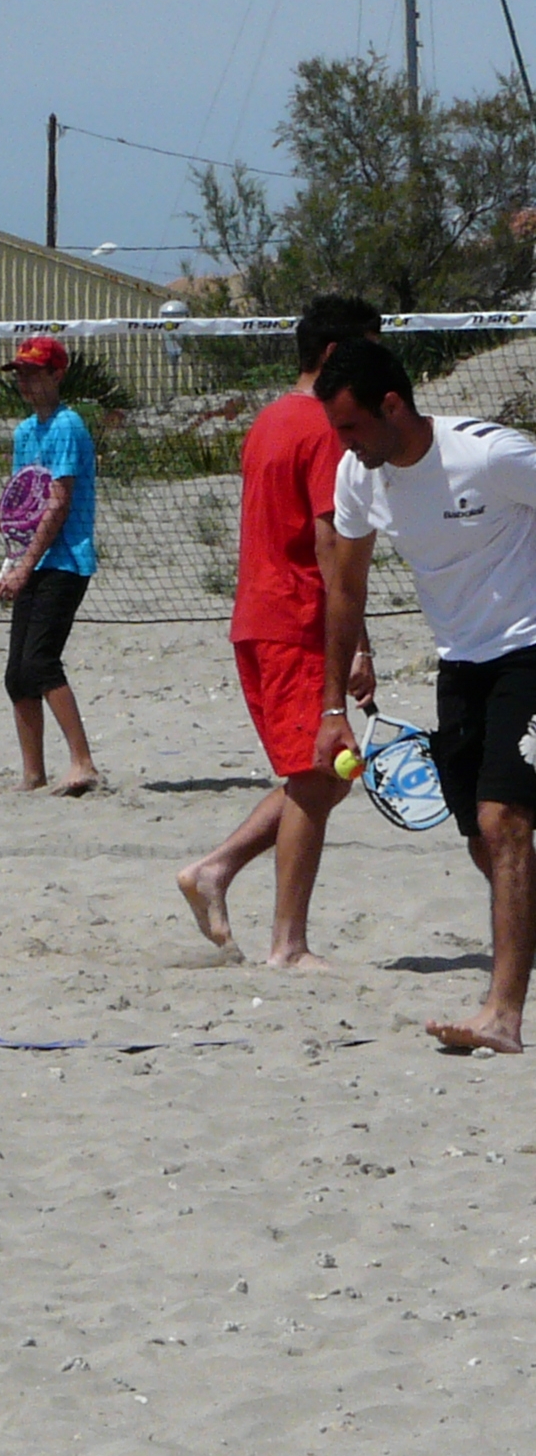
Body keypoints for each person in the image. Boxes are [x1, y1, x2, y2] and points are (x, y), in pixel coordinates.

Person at [315, 336, 536, 1053]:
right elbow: (345, 590)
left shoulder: (490, 455)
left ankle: (502, 1014)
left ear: (392, 405)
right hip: (459, 662)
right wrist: (331, 710)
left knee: (504, 821)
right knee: (480, 834)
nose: (343, 443)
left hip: (529, 650)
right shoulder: (359, 475)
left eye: (350, 426)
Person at [177, 296, 381, 966]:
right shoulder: (325, 427)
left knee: (317, 777)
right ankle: (287, 945)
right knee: (320, 777)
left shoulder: (269, 418)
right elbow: (331, 547)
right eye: (365, 353)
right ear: (332, 357)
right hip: (295, 619)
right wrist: (360, 643)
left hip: (258, 618)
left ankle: (216, 871)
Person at [0, 336, 101, 794]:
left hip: (66, 560)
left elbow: (57, 504)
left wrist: (27, 563)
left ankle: (83, 763)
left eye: (34, 373)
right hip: (33, 559)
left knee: (40, 661)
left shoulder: (67, 426)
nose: (25, 381)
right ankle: (33, 773)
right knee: (17, 673)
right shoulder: (24, 432)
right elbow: (24, 503)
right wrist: (11, 562)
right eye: (20, 373)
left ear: (57, 374)